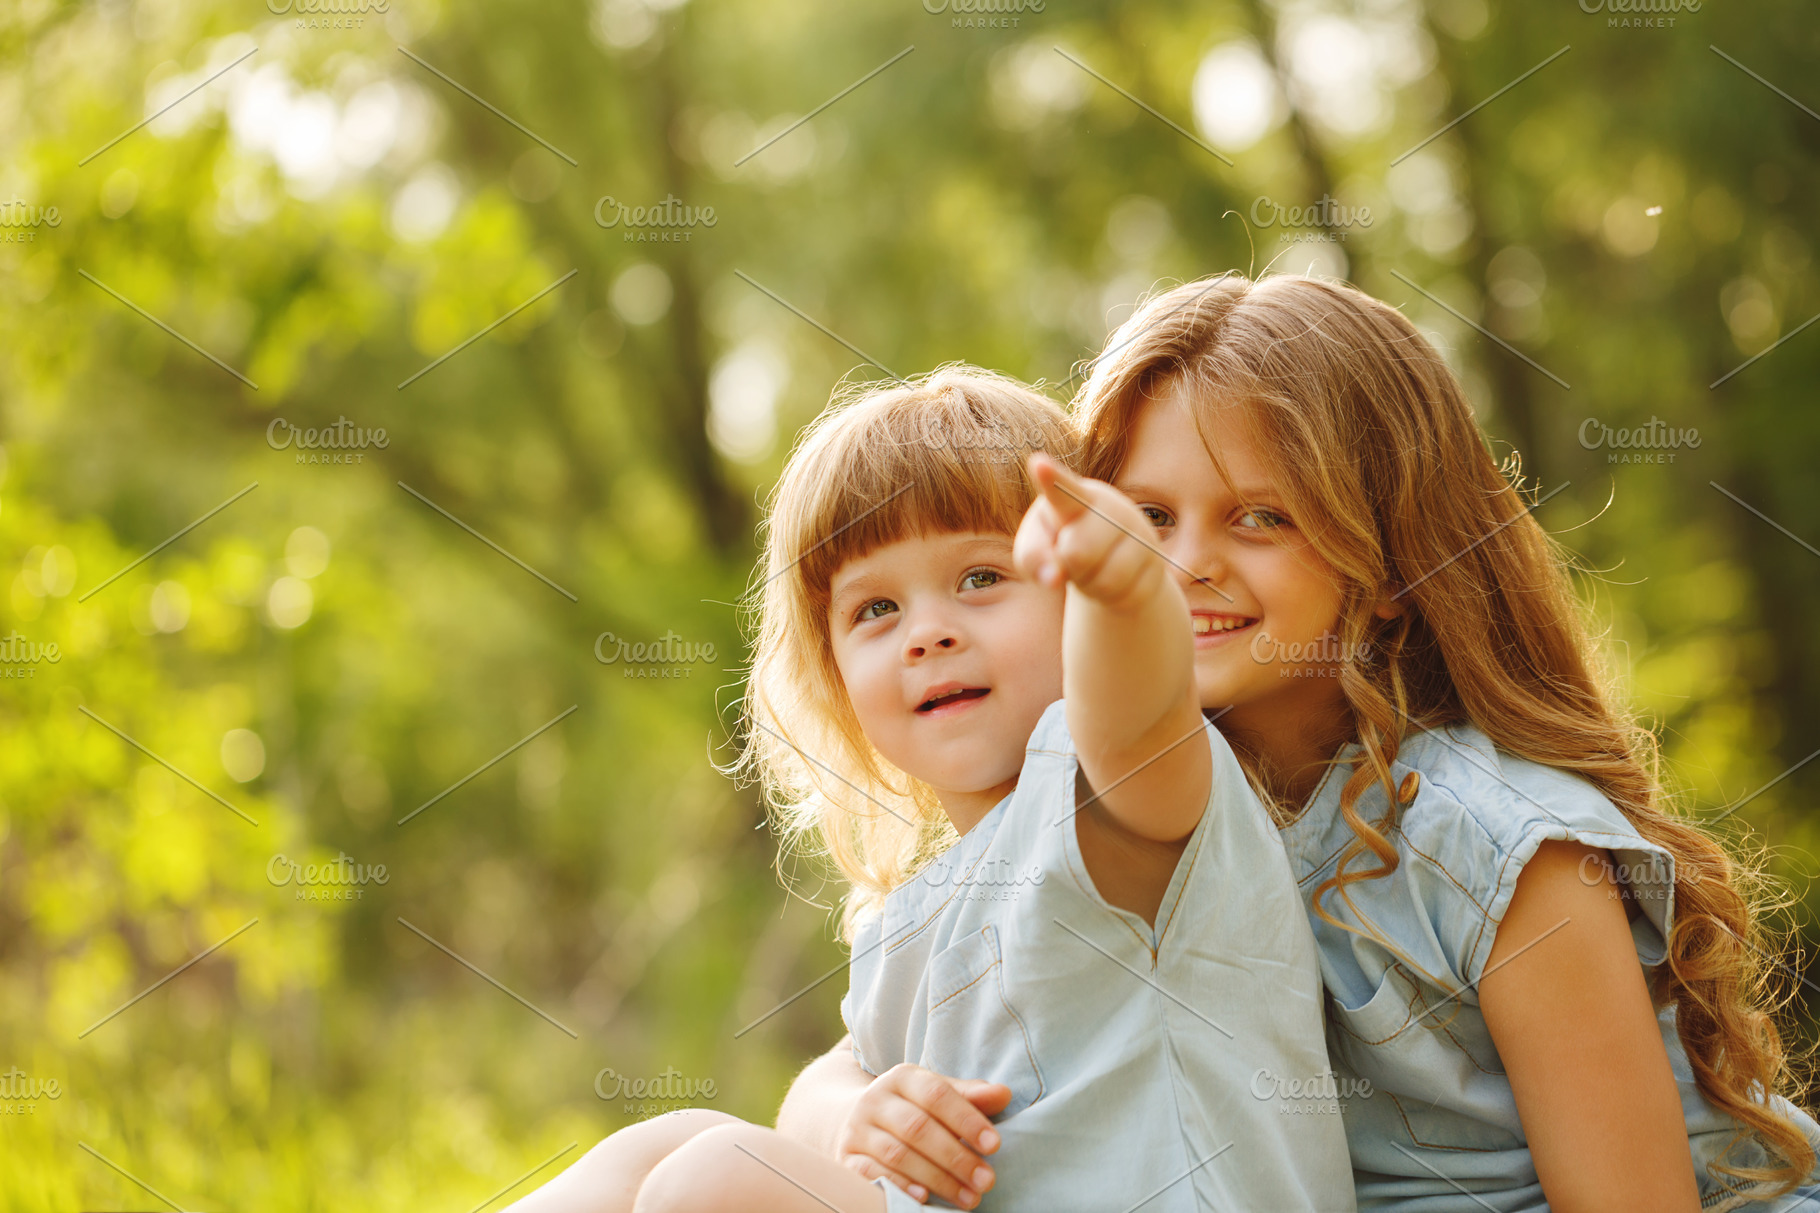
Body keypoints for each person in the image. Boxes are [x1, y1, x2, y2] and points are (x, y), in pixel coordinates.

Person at [785, 274, 1820, 1211]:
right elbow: (860, 1047)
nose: (1181, 564)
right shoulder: (1145, 812)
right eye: (1146, 513)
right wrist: (848, 1109)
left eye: (1258, 518)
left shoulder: (1490, 845)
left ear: (1389, 561)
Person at [505, 365, 1354, 1211]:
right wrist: (849, 1116)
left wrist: (1127, 592)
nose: (927, 633)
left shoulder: (1123, 801)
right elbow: (831, 1078)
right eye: (875, 609)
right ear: (835, 676)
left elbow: (1139, 709)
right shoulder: (920, 911)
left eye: (982, 578)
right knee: (661, 1141)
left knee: (718, 1175)